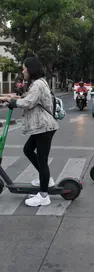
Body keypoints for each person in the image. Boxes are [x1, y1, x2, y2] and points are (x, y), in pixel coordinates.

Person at [1, 56, 59, 207]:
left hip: (44, 127)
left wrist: (13, 102)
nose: (23, 70)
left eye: (24, 67)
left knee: (42, 159)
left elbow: (28, 102)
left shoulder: (38, 84)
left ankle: (44, 195)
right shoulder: (37, 83)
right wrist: (9, 98)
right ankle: (46, 180)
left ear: (30, 68)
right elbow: (27, 97)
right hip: (41, 127)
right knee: (28, 150)